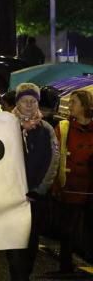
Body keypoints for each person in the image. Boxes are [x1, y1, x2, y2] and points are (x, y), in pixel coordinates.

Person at [6, 83, 59, 281]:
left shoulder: (46, 129)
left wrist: (41, 189)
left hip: (35, 197)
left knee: (31, 241)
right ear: (17, 102)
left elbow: (54, 160)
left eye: (33, 101)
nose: (29, 104)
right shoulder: (6, 126)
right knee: (13, 242)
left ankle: (24, 274)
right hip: (11, 196)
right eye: (24, 100)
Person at [52, 89, 93, 275]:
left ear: (84, 105)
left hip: (89, 189)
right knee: (67, 231)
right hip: (69, 187)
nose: (69, 106)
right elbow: (53, 157)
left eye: (73, 102)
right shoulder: (64, 128)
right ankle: (65, 268)